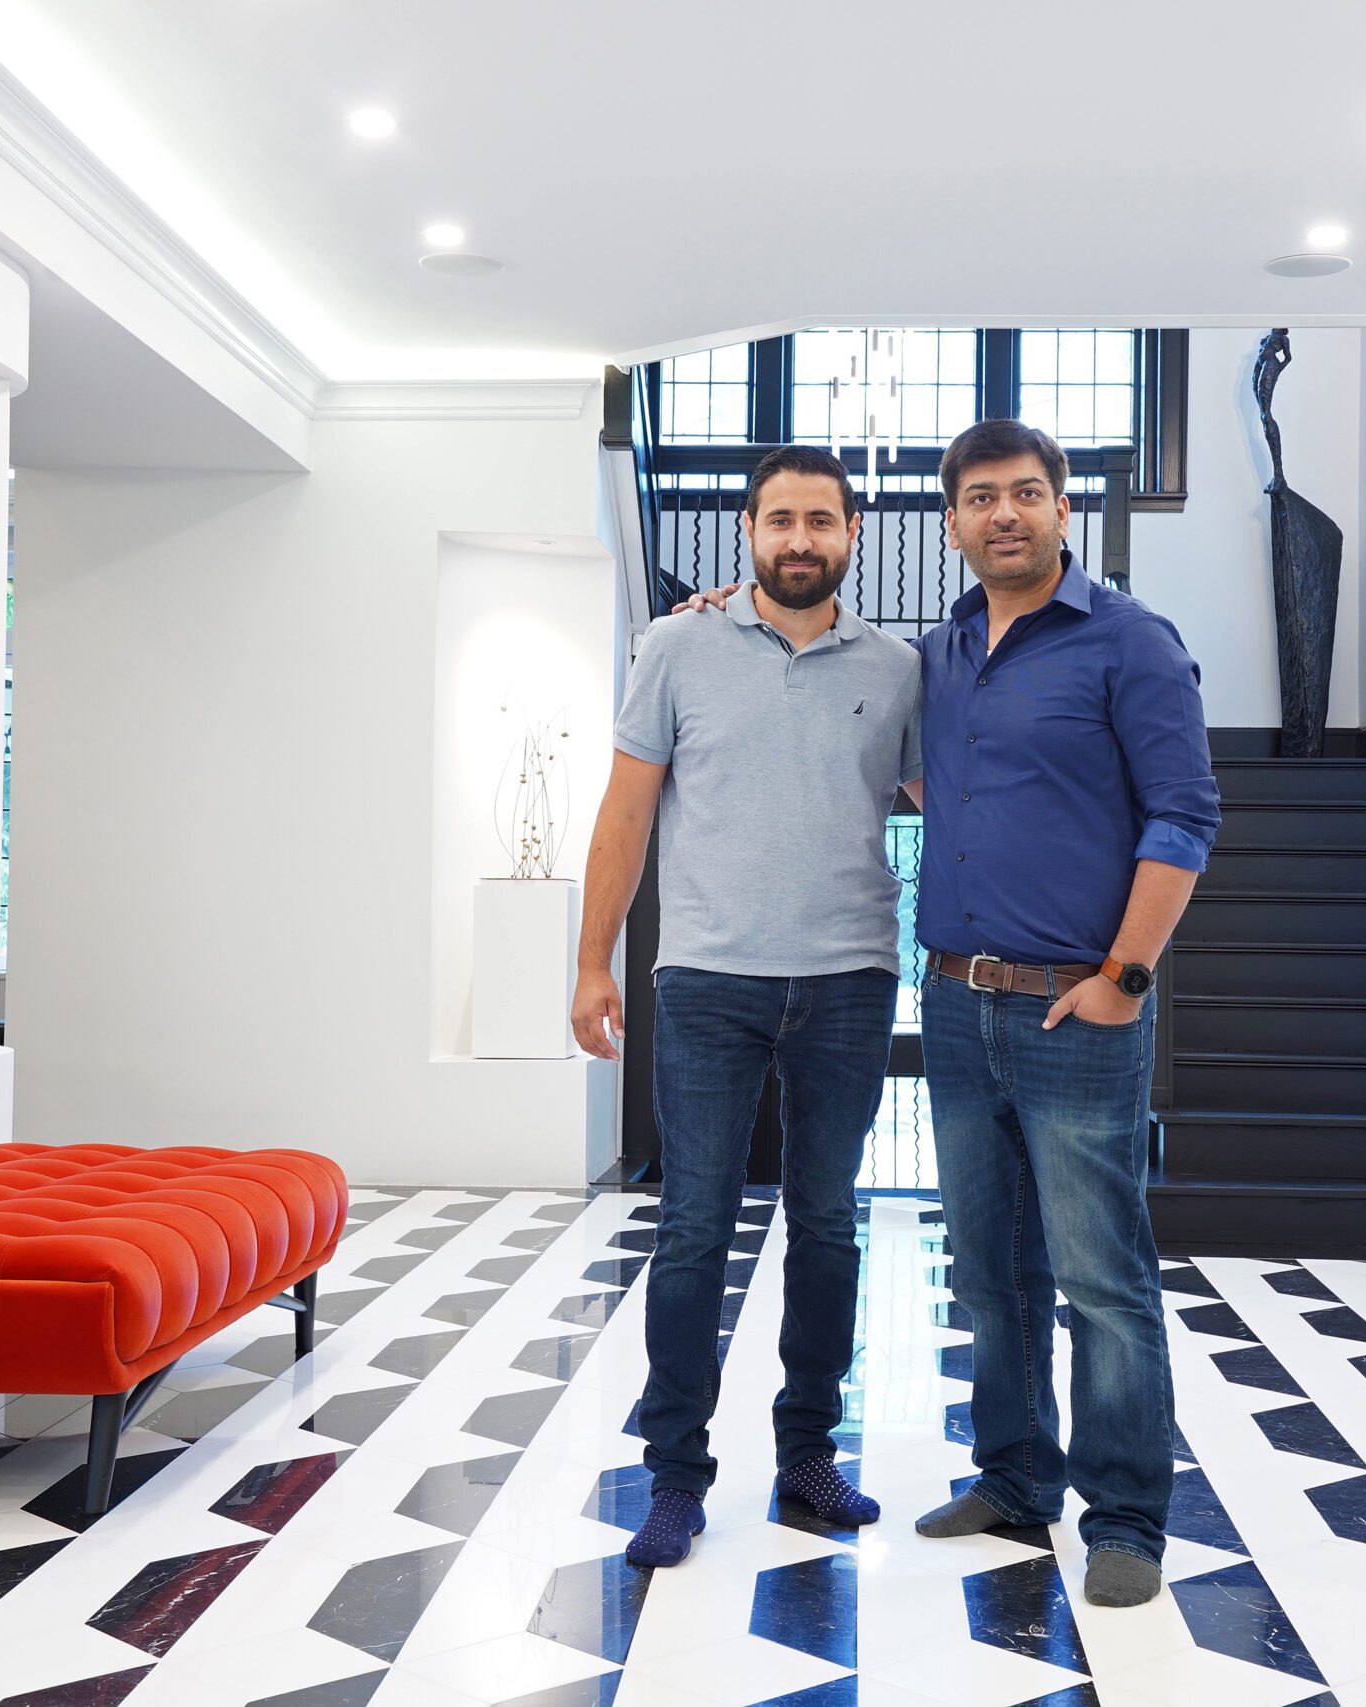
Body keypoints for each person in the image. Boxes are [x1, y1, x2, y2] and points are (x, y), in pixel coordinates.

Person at [679, 420, 1219, 1606]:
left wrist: (1125, 975)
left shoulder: (1128, 643)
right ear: (951, 522)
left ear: (1062, 507)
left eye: (1026, 493)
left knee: (1102, 1279)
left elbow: (1183, 816)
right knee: (989, 1270)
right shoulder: (945, 652)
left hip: (1079, 1013)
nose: (1004, 515)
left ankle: (1125, 1514)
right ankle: (1015, 1479)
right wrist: (728, 615)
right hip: (960, 997)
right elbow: (913, 772)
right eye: (979, 499)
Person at [572, 444, 922, 1568]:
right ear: (748, 531)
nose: (800, 539)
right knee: (691, 1227)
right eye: (780, 520)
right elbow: (625, 815)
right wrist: (591, 963)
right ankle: (675, 1476)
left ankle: (807, 1456)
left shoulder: (902, 668)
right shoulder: (675, 646)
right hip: (709, 979)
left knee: (827, 1225)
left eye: (822, 520)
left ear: (852, 533)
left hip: (850, 979)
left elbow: (955, 803)